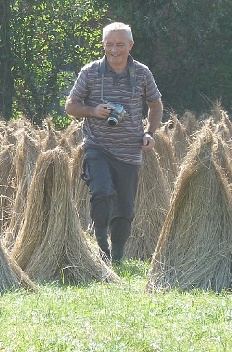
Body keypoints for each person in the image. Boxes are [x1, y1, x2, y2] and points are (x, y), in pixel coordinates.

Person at [65, 22, 163, 264]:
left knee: (125, 209)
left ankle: (117, 257)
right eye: (109, 44)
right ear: (103, 45)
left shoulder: (141, 73)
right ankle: (101, 246)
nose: (114, 50)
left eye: (120, 44)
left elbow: (155, 105)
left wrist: (150, 132)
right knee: (101, 191)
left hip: (129, 151)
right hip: (96, 146)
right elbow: (70, 106)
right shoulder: (90, 72)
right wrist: (93, 110)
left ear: (130, 45)